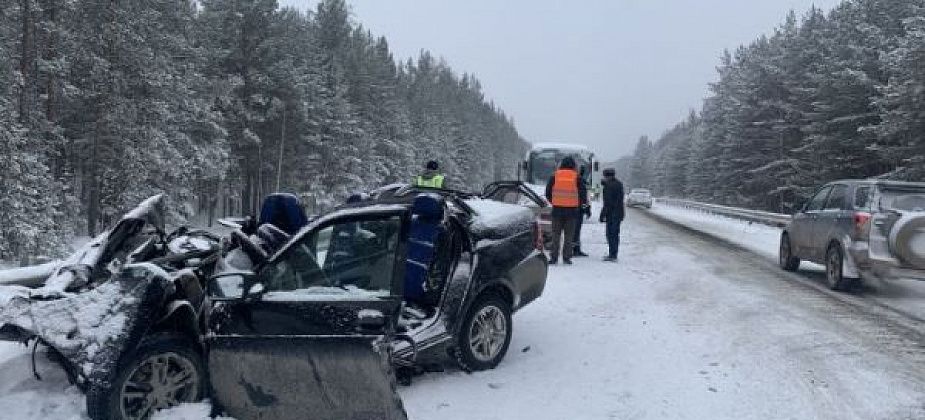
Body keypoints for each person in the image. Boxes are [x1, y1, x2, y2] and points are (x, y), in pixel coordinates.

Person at [544, 156, 588, 265]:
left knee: (555, 235)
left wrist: (554, 201)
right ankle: (566, 258)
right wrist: (578, 204)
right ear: (573, 165)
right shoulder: (577, 177)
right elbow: (583, 195)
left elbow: (548, 192)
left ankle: (553, 258)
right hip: (572, 212)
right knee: (569, 236)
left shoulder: (555, 176)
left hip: (557, 210)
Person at [599, 168, 625, 262]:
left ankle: (612, 255)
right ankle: (613, 254)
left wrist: (602, 215)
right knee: (615, 234)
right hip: (619, 212)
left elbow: (608, 203)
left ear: (607, 176)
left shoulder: (608, 186)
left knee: (610, 234)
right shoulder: (619, 184)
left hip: (612, 214)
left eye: (604, 176)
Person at [573, 167, 592, 257]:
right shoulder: (581, 181)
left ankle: (575, 249)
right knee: (576, 231)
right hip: (578, 209)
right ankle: (575, 250)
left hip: (573, 208)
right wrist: (587, 209)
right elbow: (584, 198)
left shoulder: (574, 180)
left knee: (575, 231)